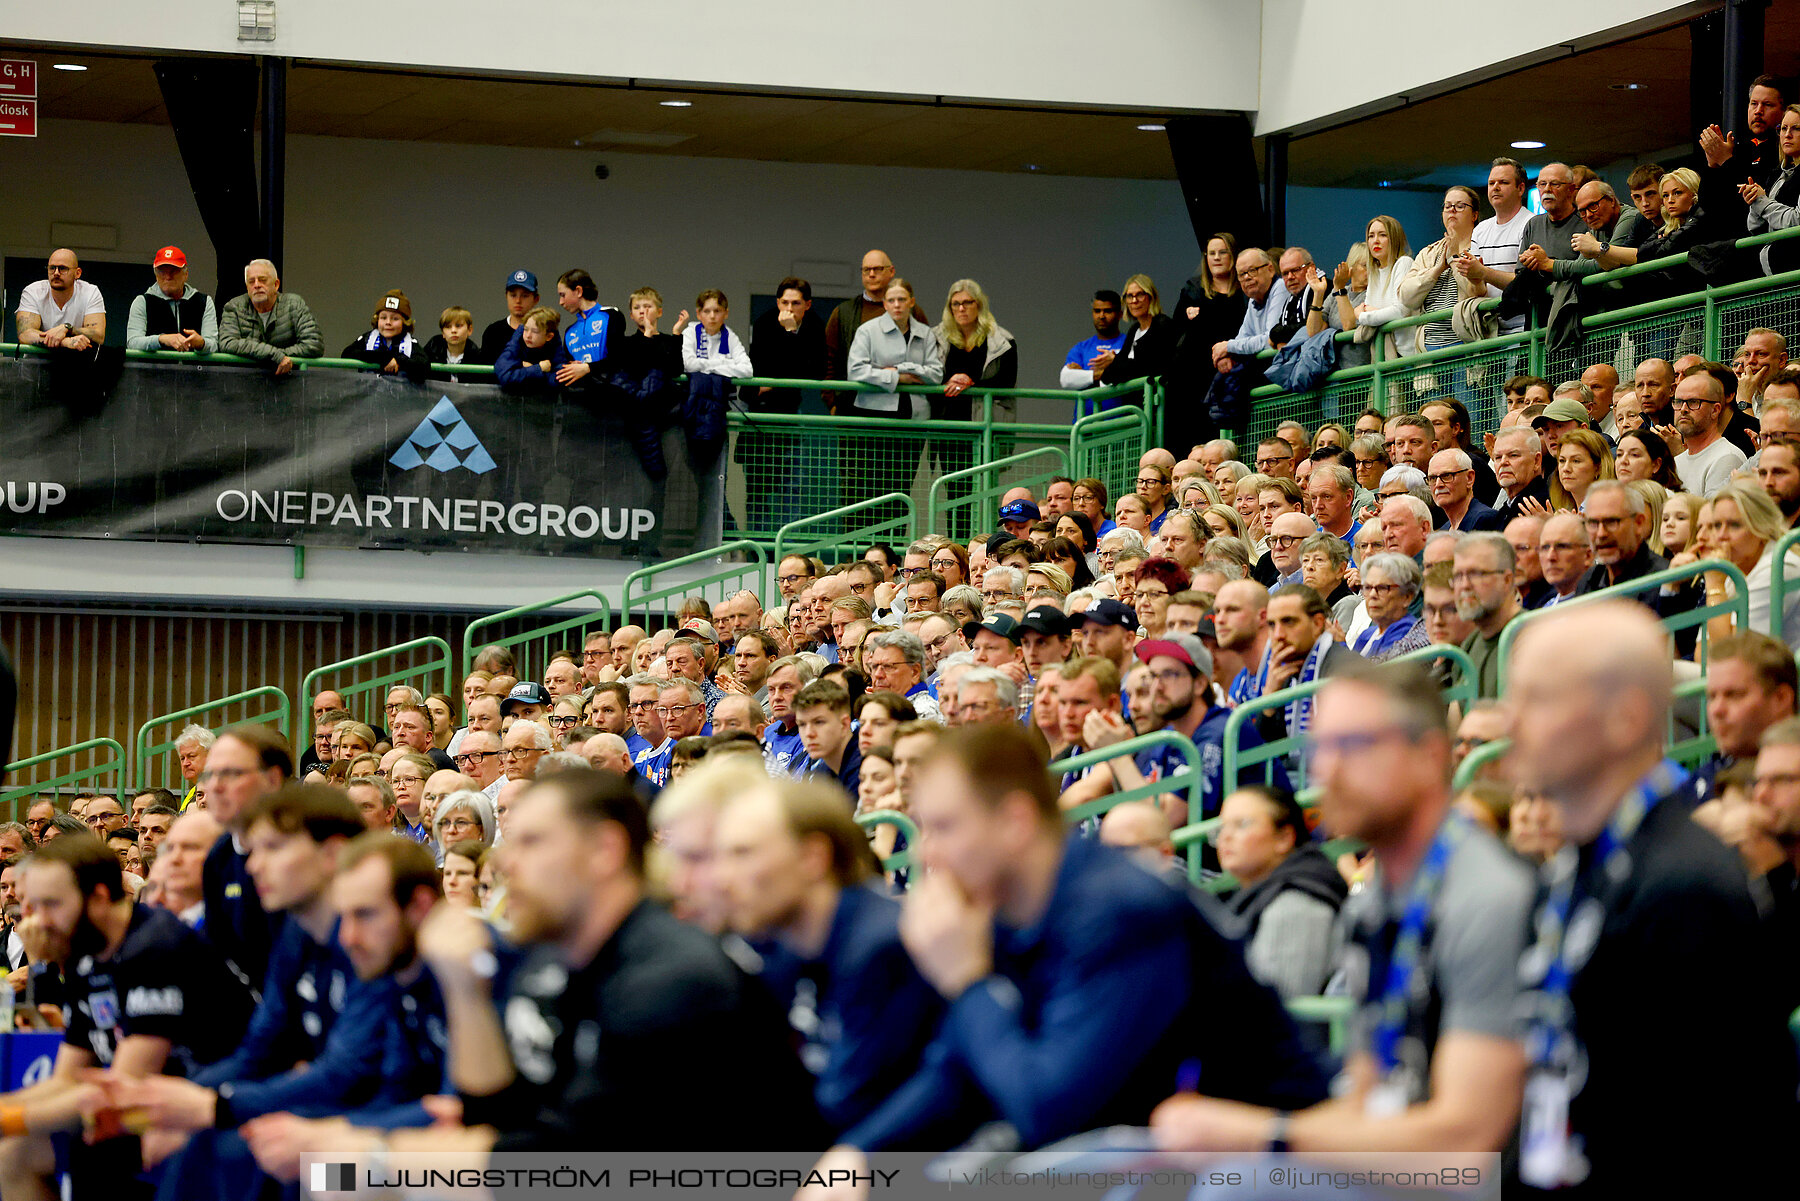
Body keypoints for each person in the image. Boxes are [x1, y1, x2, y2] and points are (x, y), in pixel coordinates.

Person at [830, 723, 1325, 1156]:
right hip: (1145, 1148)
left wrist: (967, 982)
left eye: (943, 827)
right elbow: (956, 1071)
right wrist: (856, 1154)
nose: (927, 852)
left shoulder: (1119, 911)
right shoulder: (1007, 914)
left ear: (1015, 822)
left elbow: (1048, 1111)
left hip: (1268, 1162)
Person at [1152, 659, 1534, 1160]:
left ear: (1429, 755)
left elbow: (1468, 1143)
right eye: (1319, 749)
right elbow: (1367, 1099)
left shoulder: (1487, 897)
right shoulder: (1373, 900)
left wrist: (1263, 1136)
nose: (1325, 771)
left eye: (1351, 747)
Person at [1504, 603, 1797, 1195]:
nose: (1513, 724)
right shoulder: (1578, 865)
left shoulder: (1684, 884)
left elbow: (1701, 1138)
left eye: (1539, 699)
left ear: (1626, 717)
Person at [412, 770, 824, 1152]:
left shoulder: (676, 976)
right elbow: (504, 1117)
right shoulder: (548, 964)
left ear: (604, 851)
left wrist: (377, 1160)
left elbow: (562, 1164)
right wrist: (466, 994)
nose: (505, 862)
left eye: (532, 842)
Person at [713, 776, 943, 1135]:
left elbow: (844, 1105)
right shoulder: (785, 943)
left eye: (743, 853)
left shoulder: (883, 948)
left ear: (812, 858)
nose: (723, 879)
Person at [1214, 784, 1346, 998]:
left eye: (1242, 825)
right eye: (1221, 828)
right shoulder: (1250, 899)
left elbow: (1278, 1012)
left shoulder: (1296, 905)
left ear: (1284, 838)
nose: (1225, 837)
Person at [746, 276, 828, 531]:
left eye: (795, 303)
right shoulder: (763, 323)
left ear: (808, 305)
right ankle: (756, 545)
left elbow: (815, 371)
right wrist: (787, 372)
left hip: (792, 411)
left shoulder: (814, 326)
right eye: (784, 302)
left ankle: (786, 548)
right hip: (760, 412)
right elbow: (759, 369)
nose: (789, 309)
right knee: (758, 488)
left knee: (791, 486)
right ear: (777, 301)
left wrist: (791, 333)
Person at [1402, 187, 1487, 354]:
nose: (1452, 210)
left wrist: (1454, 257)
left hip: (1464, 343)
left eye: (1460, 206)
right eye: (1448, 206)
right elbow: (1406, 296)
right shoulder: (1428, 252)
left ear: (1474, 215)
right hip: (1429, 345)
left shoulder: (1481, 248)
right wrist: (1437, 269)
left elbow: (1476, 292)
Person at [1464, 156, 1533, 331]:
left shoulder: (1532, 224)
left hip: (1522, 326)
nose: (1495, 187)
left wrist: (1483, 272)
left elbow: (1524, 285)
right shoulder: (1480, 229)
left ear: (1520, 188)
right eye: (1491, 183)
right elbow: (1477, 291)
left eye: (1503, 182)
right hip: (1489, 328)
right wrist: (1475, 278)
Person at [218, 258, 322, 374]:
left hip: (287, 382)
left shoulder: (294, 304)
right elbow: (227, 343)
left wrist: (278, 356)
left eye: (263, 280)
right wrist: (274, 355)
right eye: (251, 281)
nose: (257, 285)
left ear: (276, 284)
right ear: (247, 287)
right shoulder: (234, 307)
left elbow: (314, 344)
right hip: (246, 382)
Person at [14, 248, 107, 354]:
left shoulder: (90, 292)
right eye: (52, 268)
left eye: (63, 268)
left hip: (76, 363)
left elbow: (98, 336)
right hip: (37, 365)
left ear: (77, 273)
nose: (56, 273)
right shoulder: (33, 291)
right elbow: (25, 334)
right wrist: (63, 342)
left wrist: (67, 328)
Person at [126, 245, 217, 354]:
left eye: (173, 271)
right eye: (162, 271)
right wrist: (162, 339)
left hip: (195, 370)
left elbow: (214, 344)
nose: (168, 277)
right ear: (156, 276)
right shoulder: (142, 302)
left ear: (185, 274)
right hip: (153, 370)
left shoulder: (204, 301)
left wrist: (201, 343)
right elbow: (132, 342)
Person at [1673, 365, 1749, 493]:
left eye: (1693, 402)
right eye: (1678, 402)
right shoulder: (1676, 462)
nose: (1683, 409)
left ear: (1715, 410)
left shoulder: (1727, 458)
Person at [1352, 215, 1416, 358]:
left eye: (1382, 235)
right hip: (1384, 355)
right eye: (1371, 236)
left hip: (1407, 357)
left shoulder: (1404, 263)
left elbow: (1400, 312)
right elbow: (1384, 311)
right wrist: (1382, 313)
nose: (1376, 241)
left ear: (1394, 238)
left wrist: (1363, 316)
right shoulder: (1374, 273)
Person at [1097, 273, 1175, 390]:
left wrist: (1116, 361)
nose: (1134, 300)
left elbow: (1147, 368)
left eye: (1139, 295)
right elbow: (1107, 378)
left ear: (1150, 297)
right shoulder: (1134, 330)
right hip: (1135, 404)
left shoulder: (1162, 325)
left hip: (1158, 402)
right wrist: (1116, 362)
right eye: (1129, 296)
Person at [793, 680, 863, 801]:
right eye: (802, 724)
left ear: (844, 723)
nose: (809, 733)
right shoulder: (822, 769)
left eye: (819, 722)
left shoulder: (865, 770)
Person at [342, 289, 427, 382]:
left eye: (395, 318)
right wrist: (383, 358)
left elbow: (423, 365)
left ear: (405, 322)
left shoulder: (410, 344)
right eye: (383, 318)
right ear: (377, 320)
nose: (388, 322)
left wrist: (398, 360)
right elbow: (347, 353)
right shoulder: (368, 338)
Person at [1058, 290, 1127, 391]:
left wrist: (1084, 376)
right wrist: (1100, 375)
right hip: (1085, 407)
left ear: (1120, 315)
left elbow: (1132, 374)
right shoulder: (1081, 348)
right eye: (1097, 311)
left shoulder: (1129, 344)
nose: (1101, 316)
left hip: (1123, 407)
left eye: (1107, 311)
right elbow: (1066, 380)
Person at [1548, 428, 1614, 512]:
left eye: (1576, 461)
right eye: (1562, 461)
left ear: (1598, 467)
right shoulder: (1562, 513)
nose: (1565, 468)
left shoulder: (1608, 512)